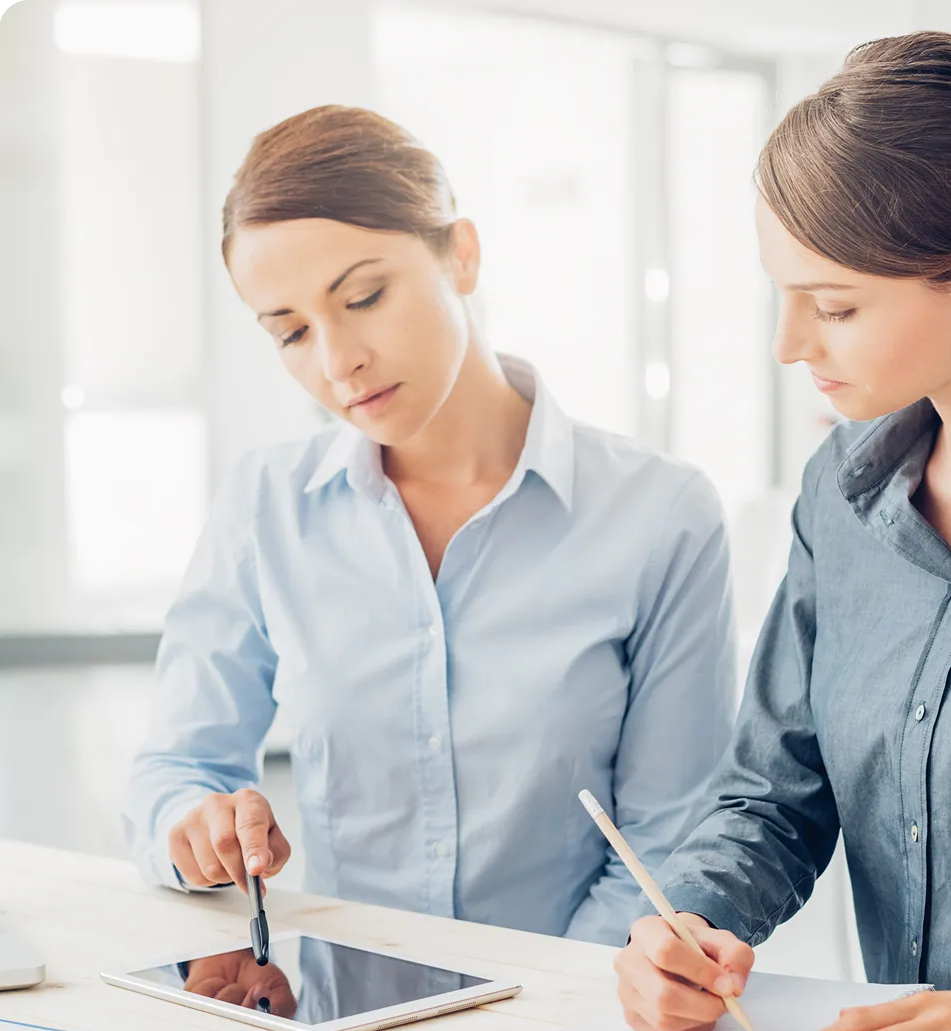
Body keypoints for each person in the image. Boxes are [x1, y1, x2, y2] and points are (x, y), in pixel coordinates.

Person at [123, 105, 736, 947]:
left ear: (463, 254)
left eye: (364, 296)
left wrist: (537, 1000)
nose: (338, 363)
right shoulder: (265, 505)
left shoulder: (661, 515)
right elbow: (176, 767)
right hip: (344, 1011)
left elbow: (670, 839)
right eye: (292, 331)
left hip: (577, 1018)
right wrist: (195, 824)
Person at [616, 31, 951, 1031]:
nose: (790, 344)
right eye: (784, 293)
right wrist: (692, 921)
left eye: (837, 305)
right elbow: (774, 793)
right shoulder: (842, 498)